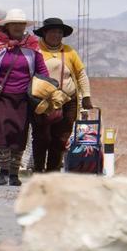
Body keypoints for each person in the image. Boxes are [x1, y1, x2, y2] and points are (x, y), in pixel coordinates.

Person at [0, 9, 47, 186]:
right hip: (2, 96)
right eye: (14, 24)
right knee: (2, 134)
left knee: (19, 135)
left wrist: (48, 88)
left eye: (21, 24)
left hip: (24, 99)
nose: (18, 27)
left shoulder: (32, 46)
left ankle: (14, 174)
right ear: (7, 26)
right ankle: (3, 171)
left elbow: (41, 70)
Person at [29, 17, 92, 173]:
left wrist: (86, 96)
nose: (56, 35)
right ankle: (38, 169)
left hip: (67, 100)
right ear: (44, 33)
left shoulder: (70, 52)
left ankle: (53, 171)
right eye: (52, 31)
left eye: (59, 32)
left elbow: (81, 74)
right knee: (42, 137)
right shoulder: (35, 50)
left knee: (61, 137)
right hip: (43, 101)